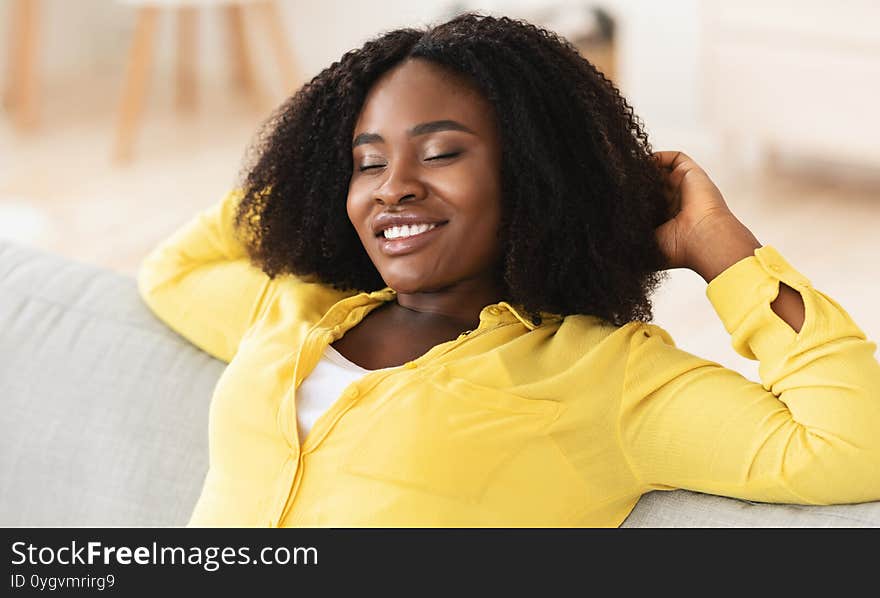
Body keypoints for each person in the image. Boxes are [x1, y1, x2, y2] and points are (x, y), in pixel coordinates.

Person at [137, 13, 880, 527]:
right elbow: (174, 270)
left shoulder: (602, 377)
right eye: (367, 161)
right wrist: (305, 181)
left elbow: (850, 445)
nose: (393, 184)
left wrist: (721, 249)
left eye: (440, 152)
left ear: (534, 175)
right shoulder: (298, 308)